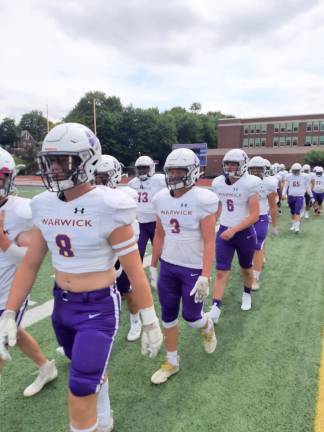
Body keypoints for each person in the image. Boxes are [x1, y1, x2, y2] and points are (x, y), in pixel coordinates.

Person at [0, 123, 163, 432]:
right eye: (52, 160)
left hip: (98, 308)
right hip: (62, 306)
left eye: (65, 160)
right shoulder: (43, 204)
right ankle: (104, 416)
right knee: (86, 370)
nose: (56, 168)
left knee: (80, 388)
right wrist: (10, 311)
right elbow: (30, 264)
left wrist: (149, 318)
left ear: (87, 161)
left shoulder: (109, 205)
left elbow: (132, 269)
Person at [150, 148, 218, 384]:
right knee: (167, 315)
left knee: (191, 317)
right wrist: (153, 265)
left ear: (192, 172)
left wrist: (205, 275)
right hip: (168, 266)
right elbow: (159, 235)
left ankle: (207, 324)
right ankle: (172, 361)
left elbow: (210, 240)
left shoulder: (202, 199)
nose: (175, 175)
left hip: (192, 268)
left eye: (180, 170)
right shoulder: (160, 198)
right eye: (171, 170)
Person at [0, 147, 58, 396]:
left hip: (9, 293)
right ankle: (46, 367)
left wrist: (2, 239)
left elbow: (31, 258)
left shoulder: (23, 210)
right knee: (17, 334)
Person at [209, 149, 261, 324]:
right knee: (221, 270)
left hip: (244, 233)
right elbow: (219, 206)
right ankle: (215, 307)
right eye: (228, 163)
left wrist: (234, 230)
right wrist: (212, 224)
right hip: (225, 231)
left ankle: (247, 293)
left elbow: (254, 215)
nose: (230, 167)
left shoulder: (250, 183)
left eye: (234, 164)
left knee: (246, 268)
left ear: (243, 165)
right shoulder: (218, 183)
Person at [95, 154, 142, 341]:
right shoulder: (89, 196)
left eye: (101, 177)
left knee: (127, 289)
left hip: (119, 251)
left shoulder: (124, 196)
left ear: (114, 175)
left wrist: (120, 256)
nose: (97, 181)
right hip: (99, 253)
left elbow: (132, 231)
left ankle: (135, 320)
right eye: (95, 176)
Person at [128, 155, 166, 287]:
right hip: (140, 223)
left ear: (151, 168)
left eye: (145, 168)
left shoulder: (160, 180)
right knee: (138, 251)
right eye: (140, 168)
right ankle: (135, 281)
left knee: (162, 252)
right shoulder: (132, 183)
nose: (142, 171)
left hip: (157, 223)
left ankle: (161, 277)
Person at [247, 157, 278, 290]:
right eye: (253, 168)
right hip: (246, 218)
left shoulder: (269, 183)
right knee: (248, 248)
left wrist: (274, 226)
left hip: (261, 217)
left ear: (264, 170)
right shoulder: (244, 182)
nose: (255, 171)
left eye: (258, 169)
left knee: (257, 246)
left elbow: (273, 206)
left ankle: (255, 278)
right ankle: (250, 267)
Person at [282, 162, 313, 233]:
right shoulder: (289, 176)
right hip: (290, 196)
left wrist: (311, 195)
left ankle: (297, 227)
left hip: (299, 196)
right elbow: (285, 186)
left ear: (300, 170)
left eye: (297, 170)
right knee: (292, 212)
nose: (295, 172)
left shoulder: (305, 176)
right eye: (294, 170)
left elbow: (307, 187)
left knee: (297, 211)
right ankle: (293, 224)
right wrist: (283, 194)